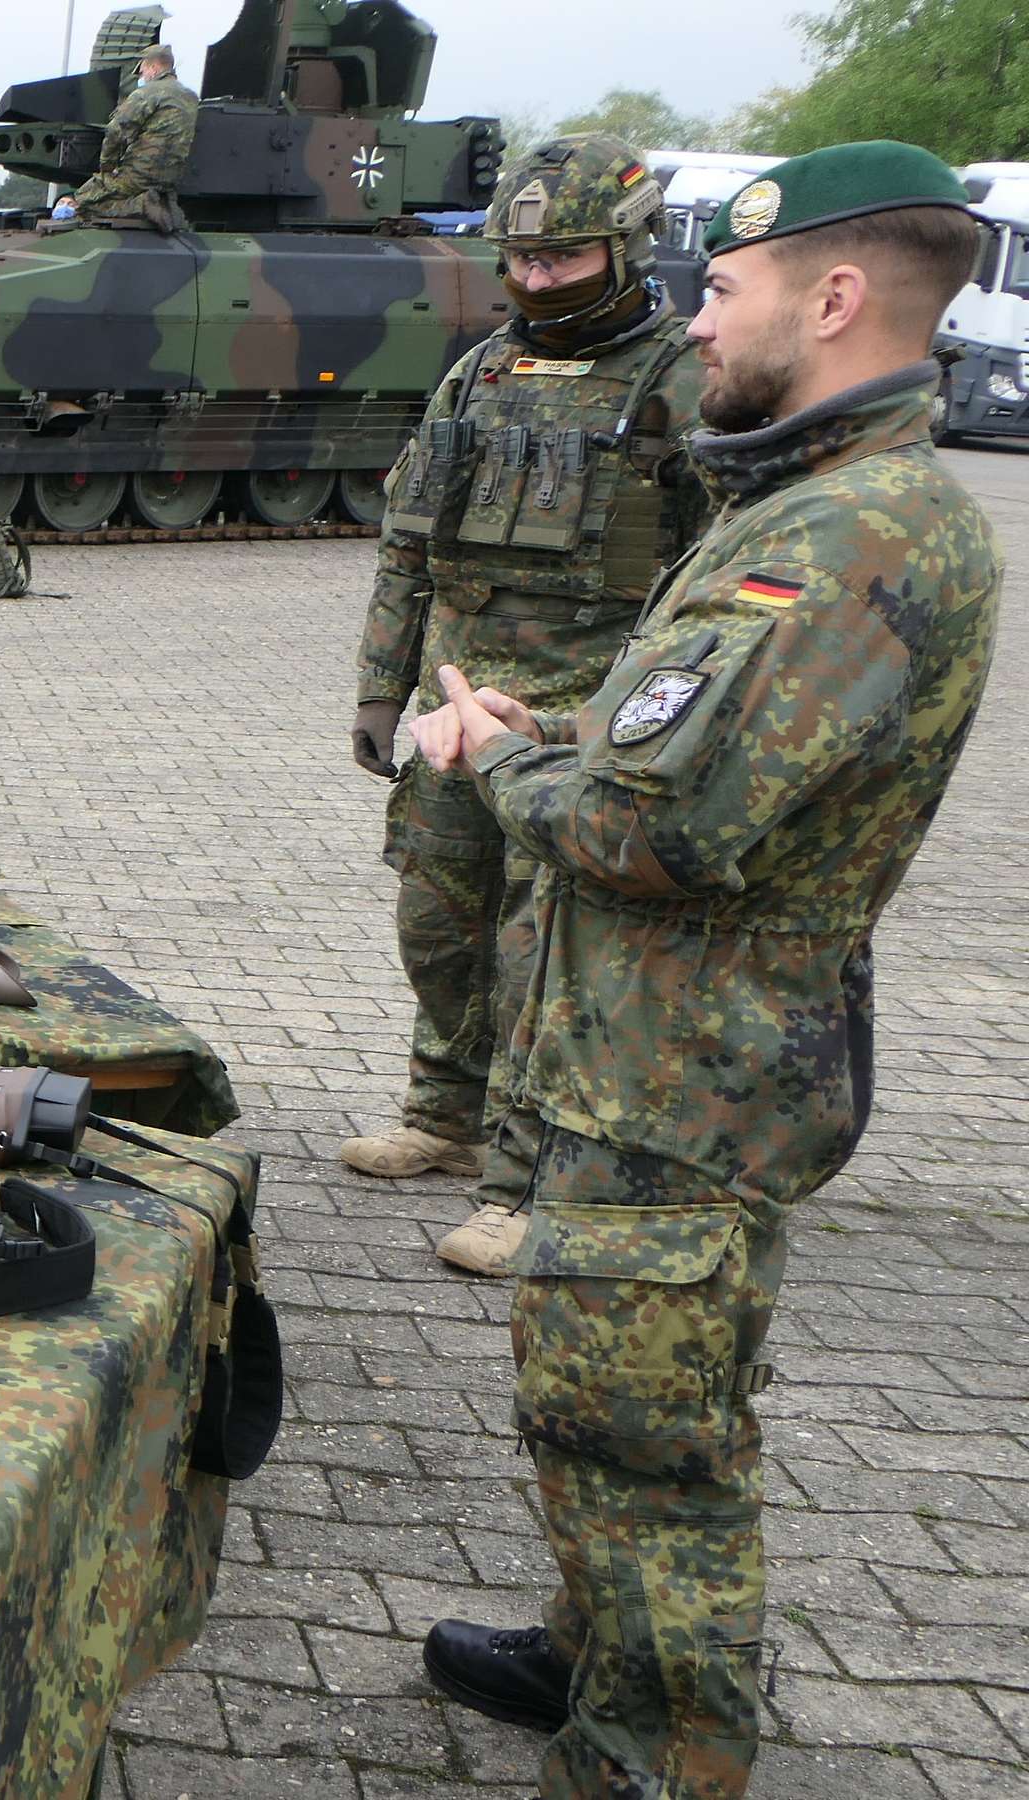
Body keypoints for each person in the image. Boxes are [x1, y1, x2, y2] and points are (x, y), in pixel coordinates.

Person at [414, 141, 1000, 1800]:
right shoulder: (824, 504)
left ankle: (655, 1748)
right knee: (612, 1409)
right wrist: (576, 731)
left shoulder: (841, 541)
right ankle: (602, 1648)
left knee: (649, 1443)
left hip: (687, 1076)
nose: (696, 318)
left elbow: (650, 837)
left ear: (829, 298)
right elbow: (701, 755)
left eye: (722, 288)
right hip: (668, 1056)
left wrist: (485, 757)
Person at [342, 133, 710, 1280]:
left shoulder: (680, 378)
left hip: (580, 720)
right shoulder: (479, 371)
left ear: (629, 242)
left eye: (564, 256)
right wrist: (377, 687)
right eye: (522, 257)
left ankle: (524, 1178)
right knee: (437, 924)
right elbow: (408, 543)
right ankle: (442, 1114)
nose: (538, 277)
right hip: (457, 710)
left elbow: (714, 576)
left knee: (536, 954)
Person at [61, 44, 198, 232]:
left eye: (141, 72)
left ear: (154, 68)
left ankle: (141, 205)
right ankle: (165, 205)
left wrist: (107, 167)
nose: (141, 78)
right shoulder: (191, 97)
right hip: (170, 177)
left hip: (139, 175)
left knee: (83, 200)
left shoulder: (145, 94)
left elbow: (115, 132)